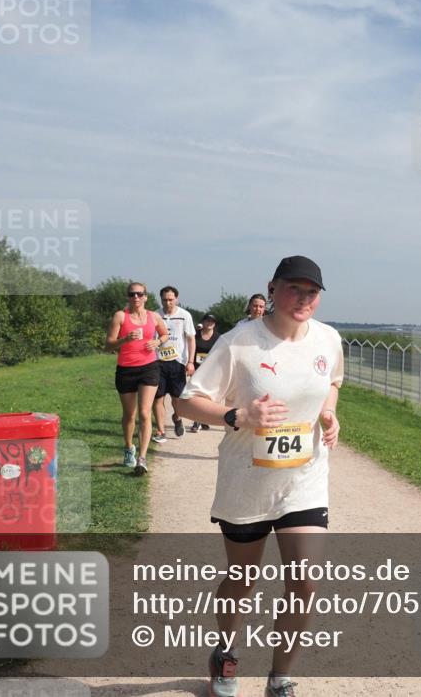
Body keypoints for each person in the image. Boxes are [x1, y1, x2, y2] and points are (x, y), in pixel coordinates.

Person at [176, 256, 342, 697]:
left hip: (303, 480)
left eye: (312, 292)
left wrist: (329, 413)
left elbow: (333, 383)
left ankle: (279, 676)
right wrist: (240, 414)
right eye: (294, 289)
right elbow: (186, 402)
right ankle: (226, 653)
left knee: (304, 580)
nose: (304, 299)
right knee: (242, 578)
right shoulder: (239, 342)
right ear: (272, 288)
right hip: (246, 483)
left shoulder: (328, 339)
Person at [105, 282, 169, 476]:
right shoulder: (120, 316)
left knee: (144, 412)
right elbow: (108, 345)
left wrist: (157, 341)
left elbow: (165, 334)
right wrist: (125, 339)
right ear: (128, 297)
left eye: (140, 294)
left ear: (146, 297)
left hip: (149, 368)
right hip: (126, 370)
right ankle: (128, 447)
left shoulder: (154, 316)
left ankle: (142, 458)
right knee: (130, 415)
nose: (136, 297)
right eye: (132, 294)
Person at [151, 286, 196, 443]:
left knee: (177, 399)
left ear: (176, 299)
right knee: (158, 398)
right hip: (158, 362)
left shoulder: (185, 315)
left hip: (177, 362)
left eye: (171, 299)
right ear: (161, 299)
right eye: (165, 299)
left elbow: (191, 339)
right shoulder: (155, 315)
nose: (168, 302)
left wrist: (190, 361)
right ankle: (161, 430)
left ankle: (177, 417)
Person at [189, 313, 220, 433]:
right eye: (207, 320)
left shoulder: (218, 338)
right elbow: (190, 348)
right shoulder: (196, 335)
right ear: (203, 322)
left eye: (212, 321)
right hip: (197, 370)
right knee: (196, 396)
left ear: (215, 323)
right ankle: (196, 421)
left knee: (207, 396)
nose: (210, 323)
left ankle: (204, 419)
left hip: (211, 371)